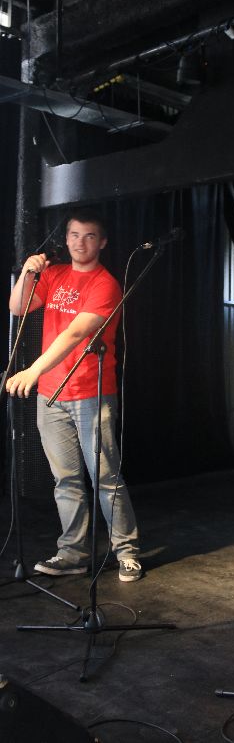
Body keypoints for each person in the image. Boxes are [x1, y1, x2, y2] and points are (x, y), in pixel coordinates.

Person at [6, 208, 142, 583]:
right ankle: (73, 553)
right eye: (74, 235)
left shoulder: (105, 284)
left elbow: (75, 334)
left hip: (90, 393)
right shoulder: (54, 275)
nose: (80, 243)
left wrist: (33, 370)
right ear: (66, 239)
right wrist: (28, 272)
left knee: (105, 478)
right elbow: (16, 307)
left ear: (102, 242)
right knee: (65, 480)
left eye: (89, 236)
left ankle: (127, 551)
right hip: (51, 396)